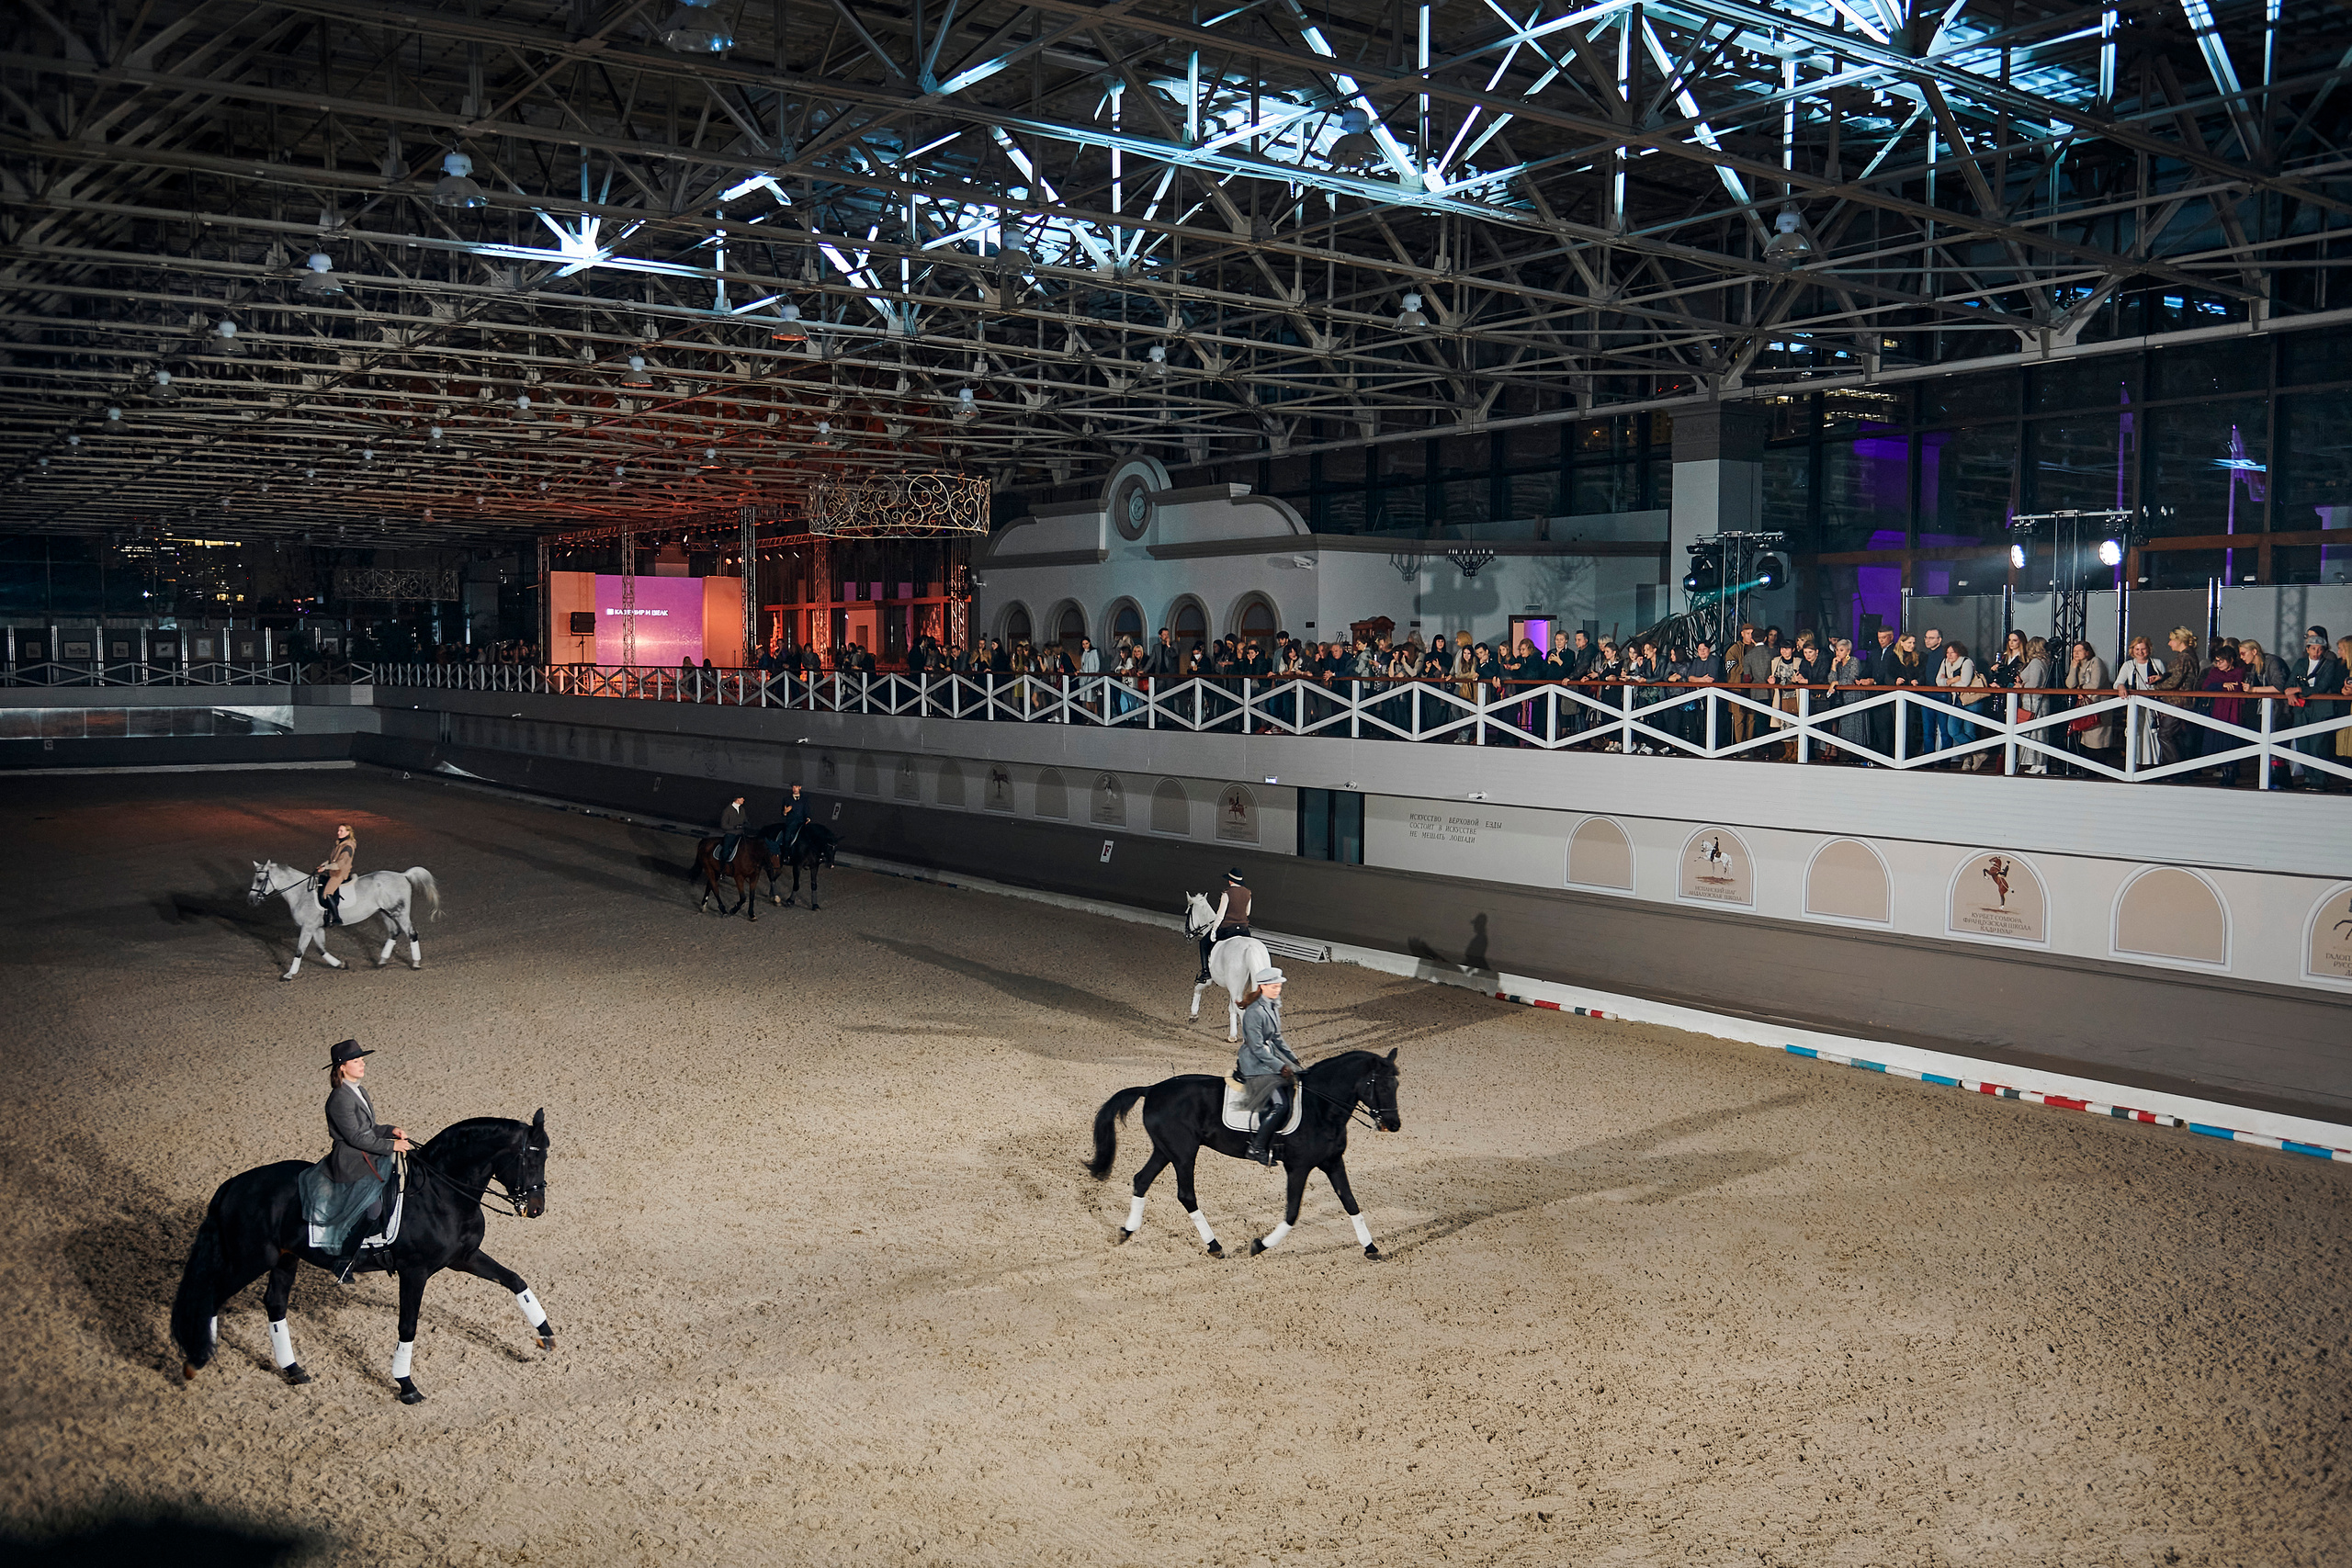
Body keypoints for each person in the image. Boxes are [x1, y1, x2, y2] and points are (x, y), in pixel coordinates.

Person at [322, 1038, 410, 1283]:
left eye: (362, 1060)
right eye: (356, 1061)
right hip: (350, 1160)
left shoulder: (359, 1091)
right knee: (373, 1207)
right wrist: (392, 1145)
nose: (362, 1065)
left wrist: (391, 1130)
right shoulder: (340, 1098)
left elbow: (370, 1128)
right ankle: (345, 1259)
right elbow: (356, 1137)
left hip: (367, 1154)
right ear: (342, 1067)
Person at [1236, 967, 1300, 1166]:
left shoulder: (1272, 1006)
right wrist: (1281, 1066)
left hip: (1268, 1057)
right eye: (1274, 987)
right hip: (1254, 1063)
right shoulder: (1254, 1012)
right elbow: (1256, 1047)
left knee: (1293, 1085)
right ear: (1262, 987)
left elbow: (1277, 1039)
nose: (1278, 990)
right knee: (1280, 1104)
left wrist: (1294, 1061)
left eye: (1279, 986)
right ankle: (1256, 1147)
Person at [1197, 867, 1253, 985]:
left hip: (1228, 929)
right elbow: (1247, 913)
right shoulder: (1248, 893)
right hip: (1244, 929)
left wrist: (1214, 929)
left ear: (1230, 881)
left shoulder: (1227, 894)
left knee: (1204, 943)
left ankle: (1205, 972)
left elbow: (1220, 915)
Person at [315, 823, 356, 925]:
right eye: (338, 830)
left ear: (348, 832)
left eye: (341, 831)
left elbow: (339, 864)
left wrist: (325, 868)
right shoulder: (339, 844)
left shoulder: (348, 847)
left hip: (339, 873)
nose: (338, 833)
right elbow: (332, 860)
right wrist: (323, 866)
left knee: (327, 893)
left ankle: (336, 918)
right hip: (333, 871)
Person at [718, 794, 746, 869]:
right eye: (742, 798)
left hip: (740, 834)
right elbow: (723, 825)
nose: (744, 800)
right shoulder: (727, 811)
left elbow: (745, 820)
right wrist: (735, 827)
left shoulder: (742, 810)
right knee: (726, 851)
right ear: (737, 799)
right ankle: (722, 868)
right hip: (731, 834)